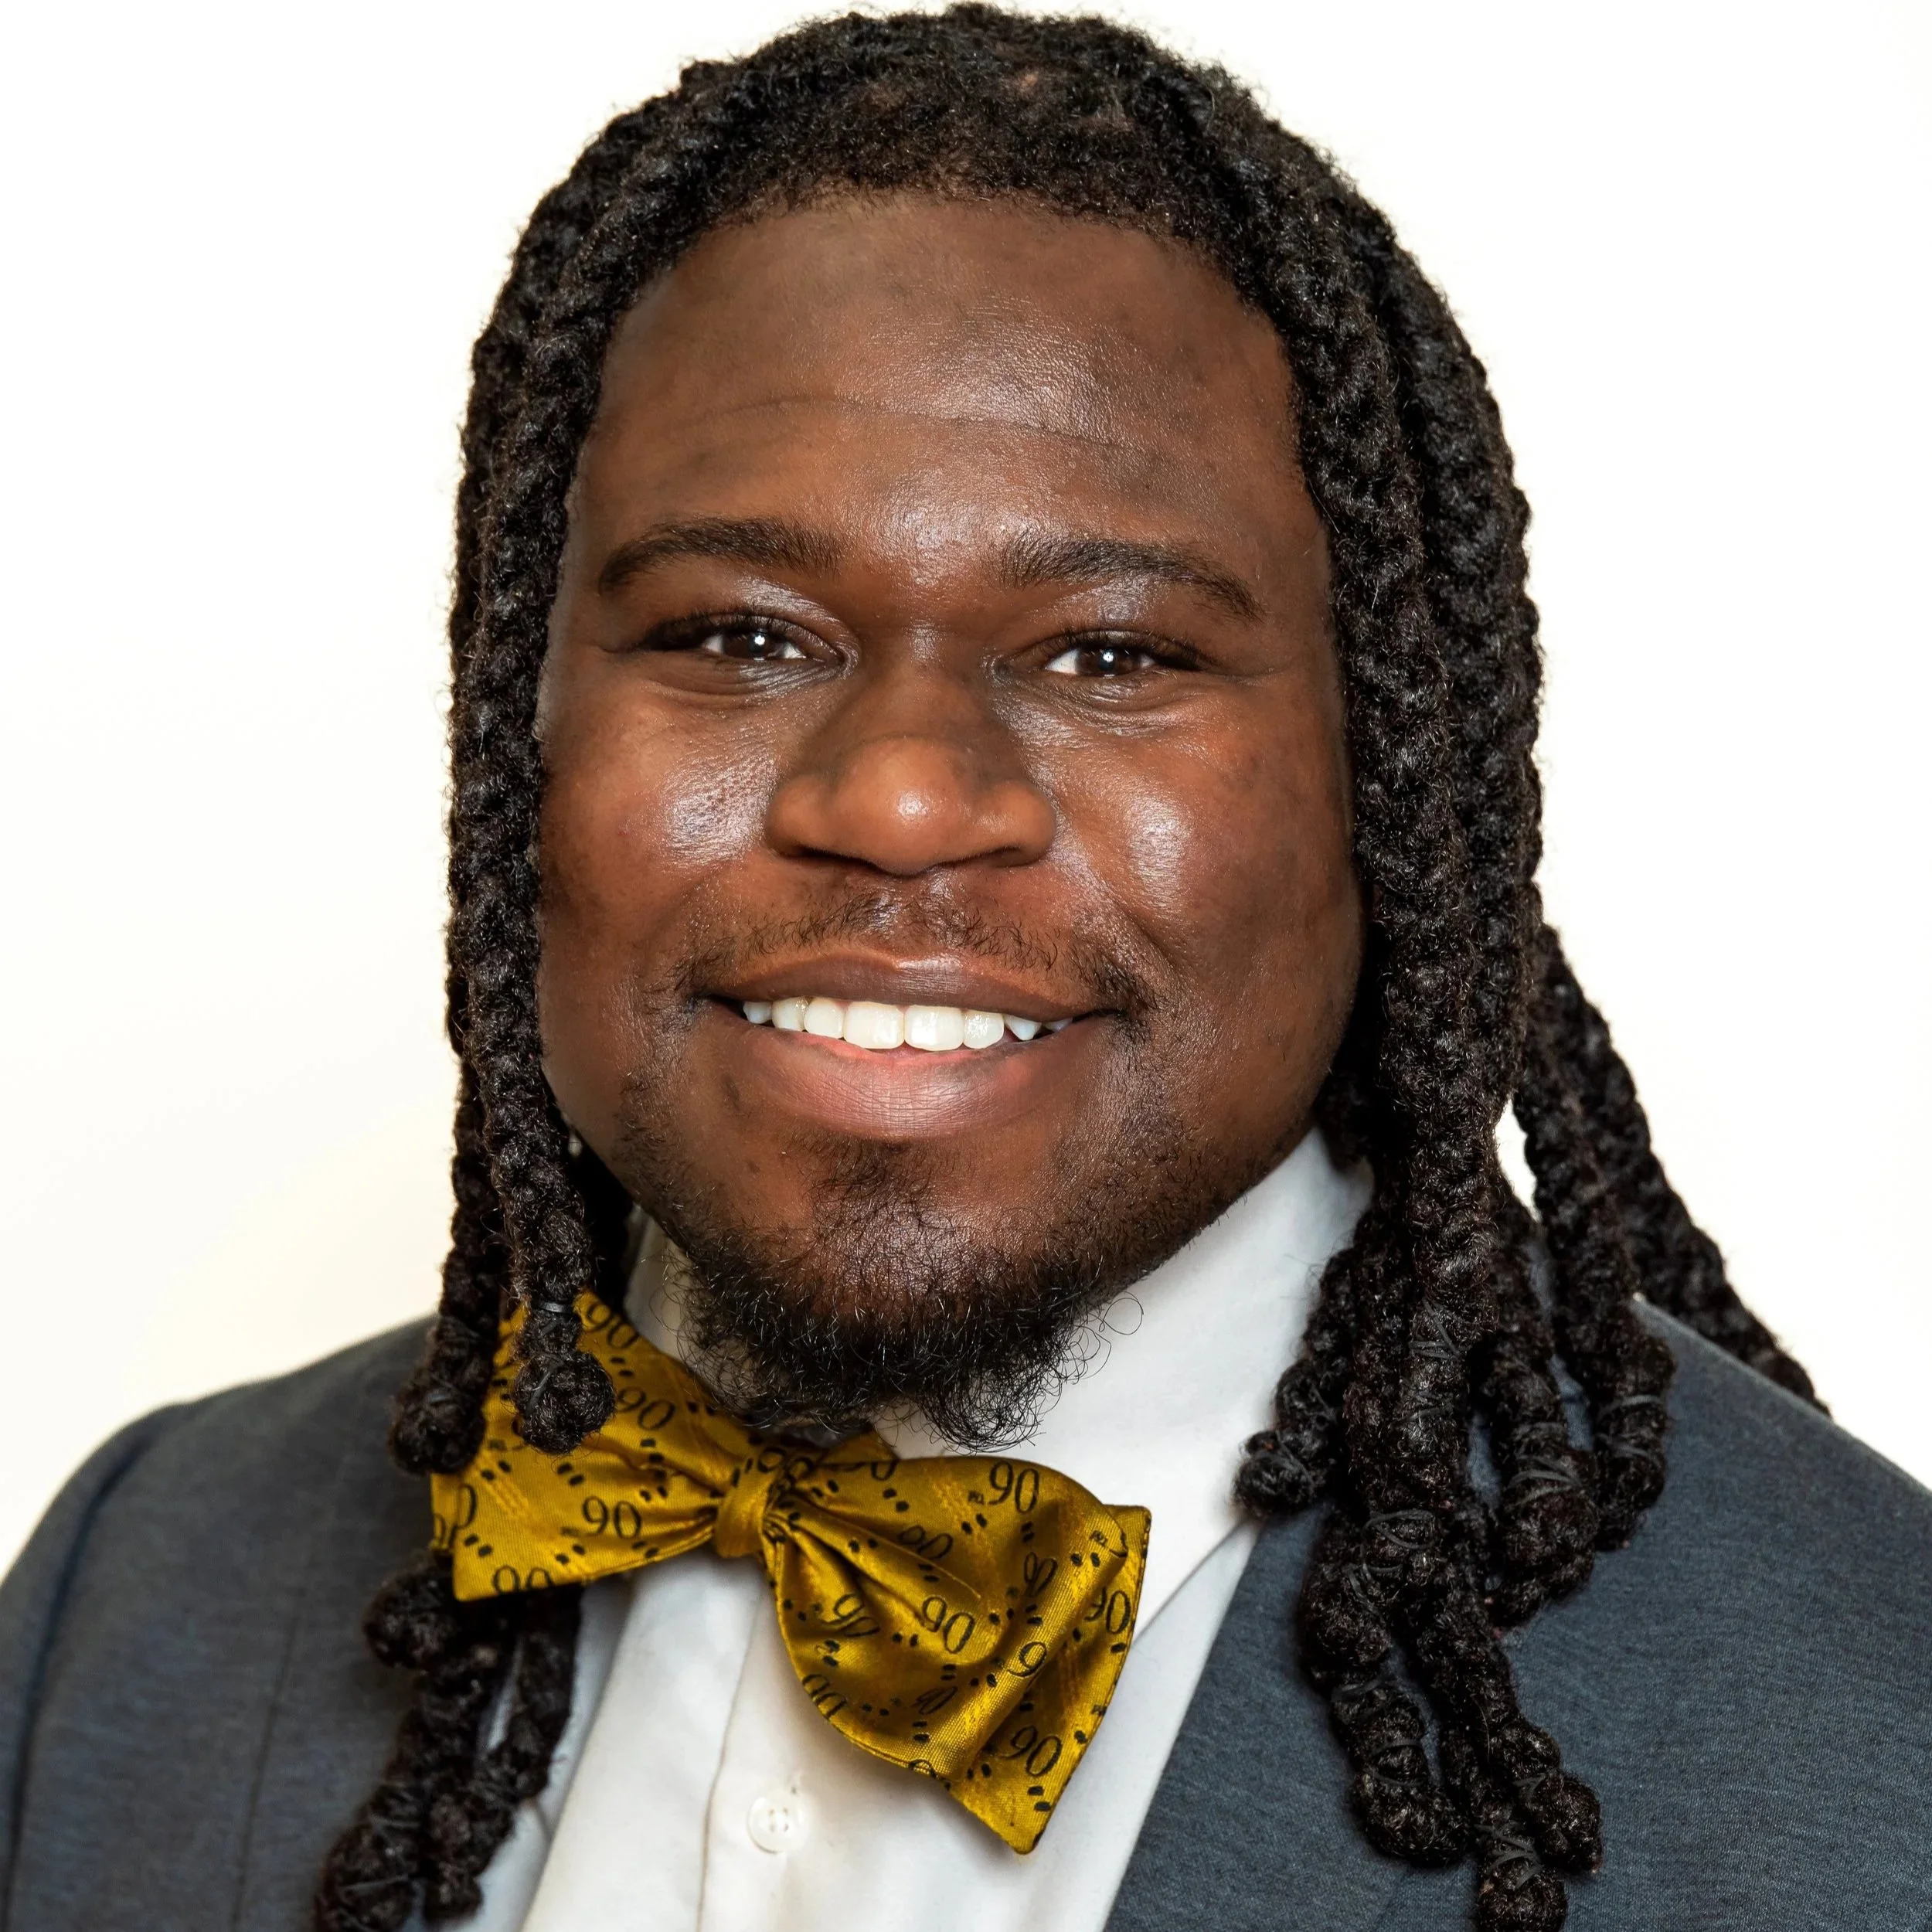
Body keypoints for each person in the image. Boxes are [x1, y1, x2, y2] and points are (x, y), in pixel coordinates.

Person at [3, 9, 1927, 1930]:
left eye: (1111, 652)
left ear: (1394, 780)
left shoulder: (1868, 1749)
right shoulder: (131, 1584)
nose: (903, 797)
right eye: (740, 634)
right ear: (512, 724)